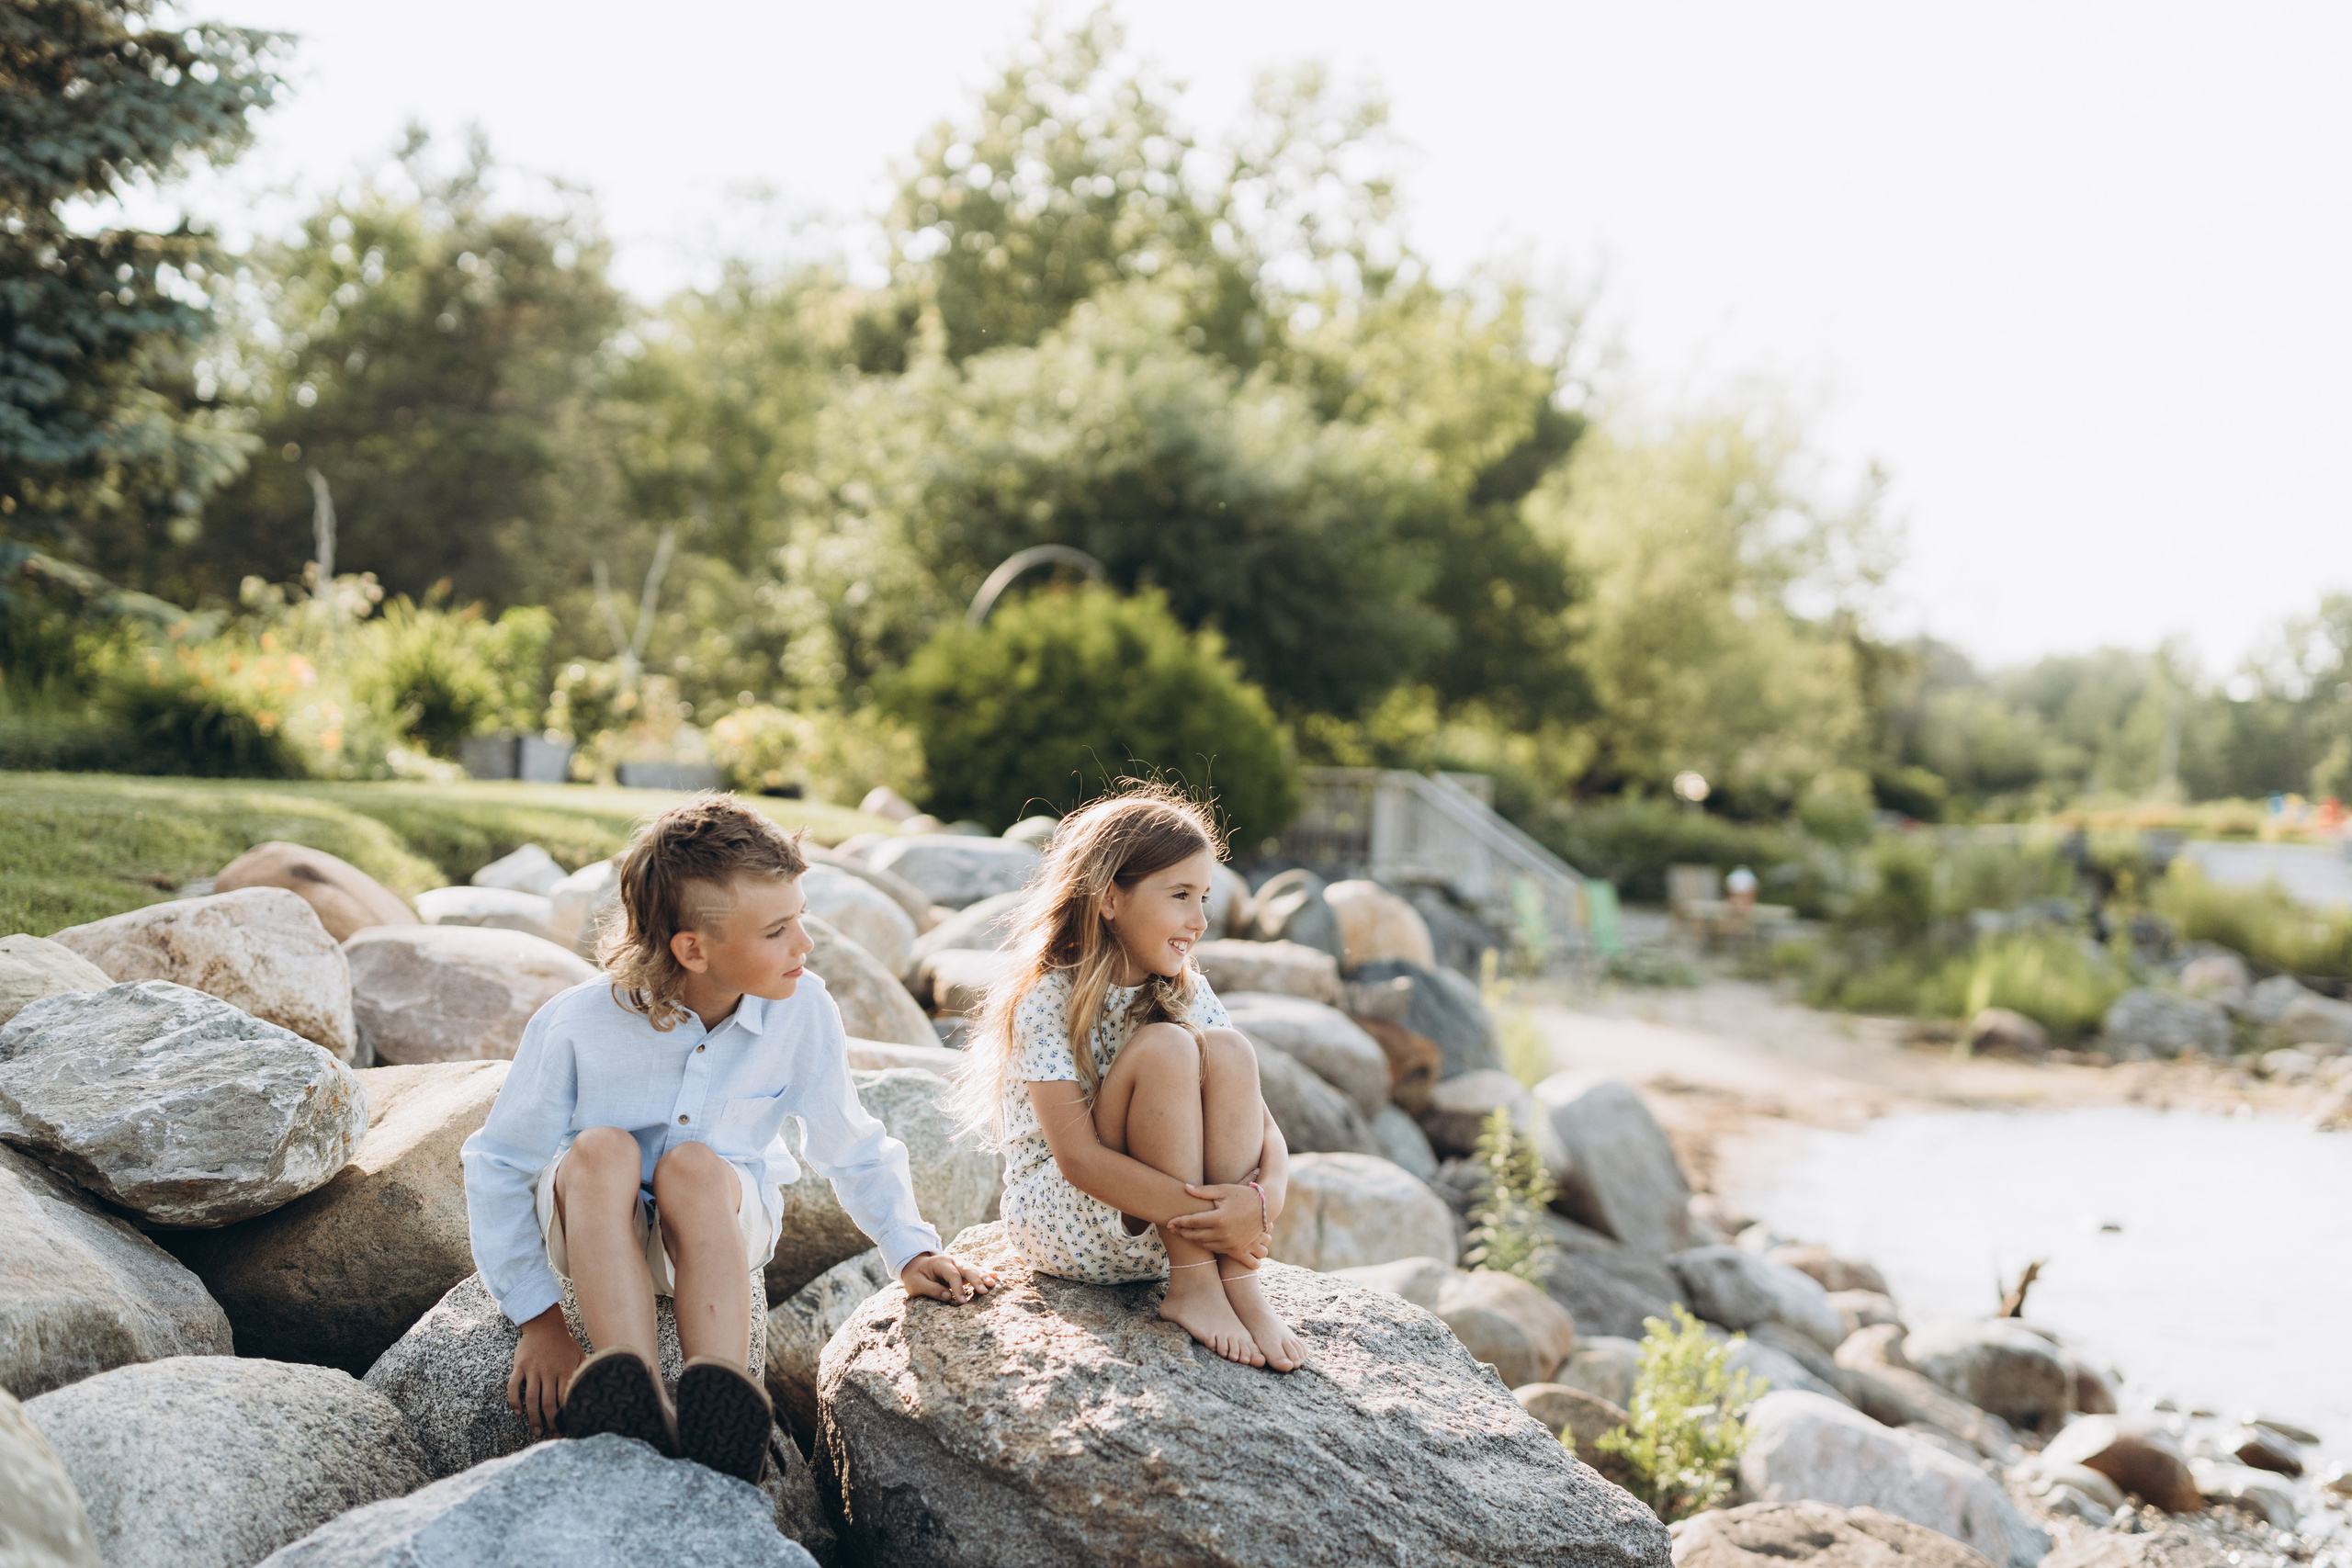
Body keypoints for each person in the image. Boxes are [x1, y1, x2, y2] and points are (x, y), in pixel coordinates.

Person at [460, 795, 996, 1481]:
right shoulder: (575, 1023)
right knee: (600, 1147)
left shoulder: (803, 1011)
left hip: (719, 1222)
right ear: (693, 949)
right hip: (594, 1225)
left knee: (694, 1165)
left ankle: (719, 1392)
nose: (804, 943)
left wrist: (909, 1245)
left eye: (800, 918)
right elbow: (499, 1161)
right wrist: (540, 1322)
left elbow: (850, 1141)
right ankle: (634, 1389)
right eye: (778, 930)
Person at [948, 786, 1306, 1371]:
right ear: (1110, 898)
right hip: (1070, 1215)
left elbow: (1264, 1126)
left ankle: (1240, 1286)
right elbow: (1078, 1161)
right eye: (1181, 895)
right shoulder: (1045, 997)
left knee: (1231, 1051)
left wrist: (1260, 1204)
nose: (1200, 919)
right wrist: (1216, 1218)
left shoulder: (1185, 983)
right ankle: (1194, 1284)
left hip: (1175, 1228)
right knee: (1166, 1046)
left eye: (1205, 897)